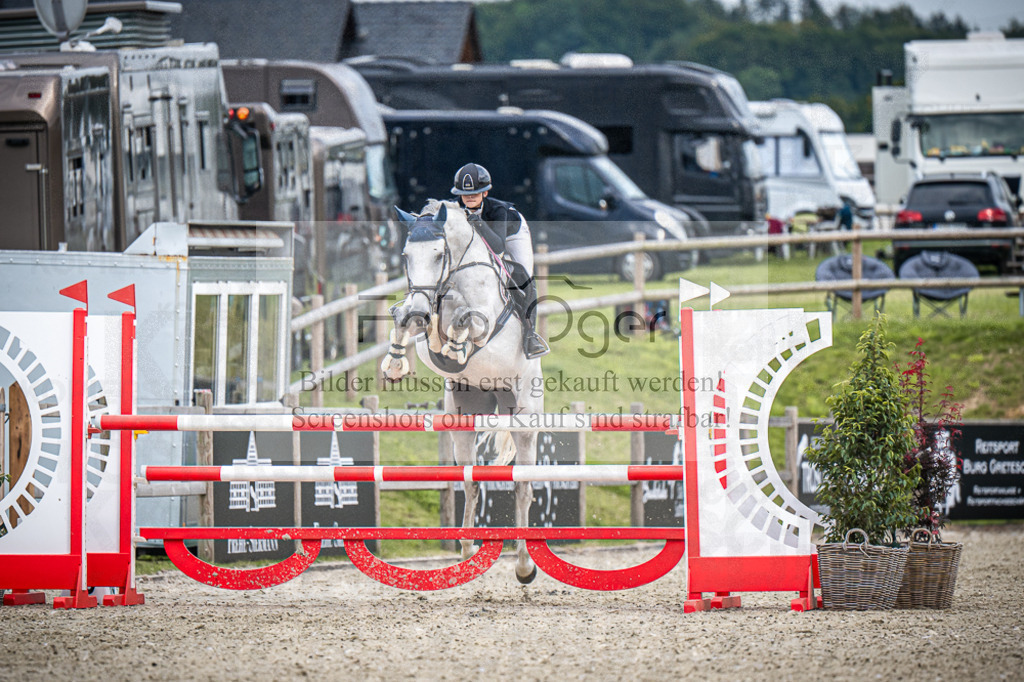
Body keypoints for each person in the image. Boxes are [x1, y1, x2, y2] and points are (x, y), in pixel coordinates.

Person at [450, 162, 549, 358]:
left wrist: (478, 223)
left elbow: (498, 248)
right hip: (481, 238)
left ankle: (530, 335)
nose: (470, 197)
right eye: (465, 194)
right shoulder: (454, 209)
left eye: (475, 193)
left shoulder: (499, 210)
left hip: (512, 236)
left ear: (485, 193)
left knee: (524, 277)